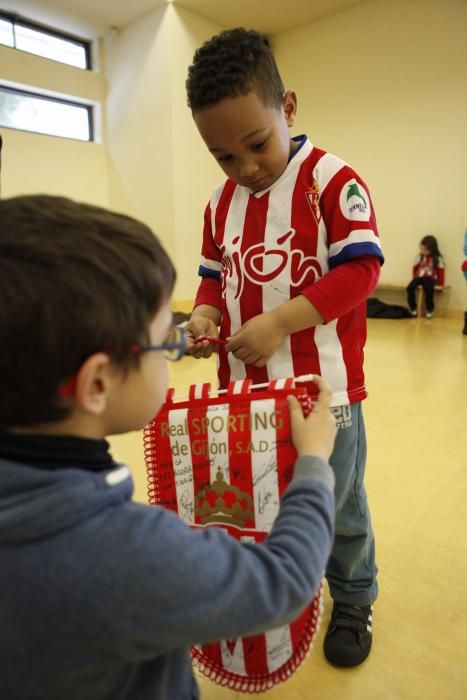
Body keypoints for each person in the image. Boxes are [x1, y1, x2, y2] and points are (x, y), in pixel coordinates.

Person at [0, 194, 338, 700]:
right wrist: (312, 465)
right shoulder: (127, 556)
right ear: (97, 384)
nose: (176, 350)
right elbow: (284, 581)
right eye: (165, 342)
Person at [184, 28, 384, 668]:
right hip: (245, 394)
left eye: (256, 144)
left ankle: (353, 596)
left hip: (325, 393)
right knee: (262, 497)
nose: (244, 168)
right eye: (223, 156)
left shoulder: (331, 179)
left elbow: (361, 271)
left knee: (339, 502)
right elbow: (214, 275)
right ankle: (289, 589)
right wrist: (206, 311)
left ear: (287, 108)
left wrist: (278, 323)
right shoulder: (218, 205)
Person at [406, 235, 445, 318]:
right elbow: (415, 269)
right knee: (410, 287)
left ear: (432, 249)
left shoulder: (438, 259)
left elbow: (441, 272)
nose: (423, 251)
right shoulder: (419, 257)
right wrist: (414, 279)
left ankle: (429, 309)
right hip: (419, 277)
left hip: (430, 278)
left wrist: (440, 284)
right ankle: (413, 307)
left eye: (425, 250)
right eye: (422, 249)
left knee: (428, 288)